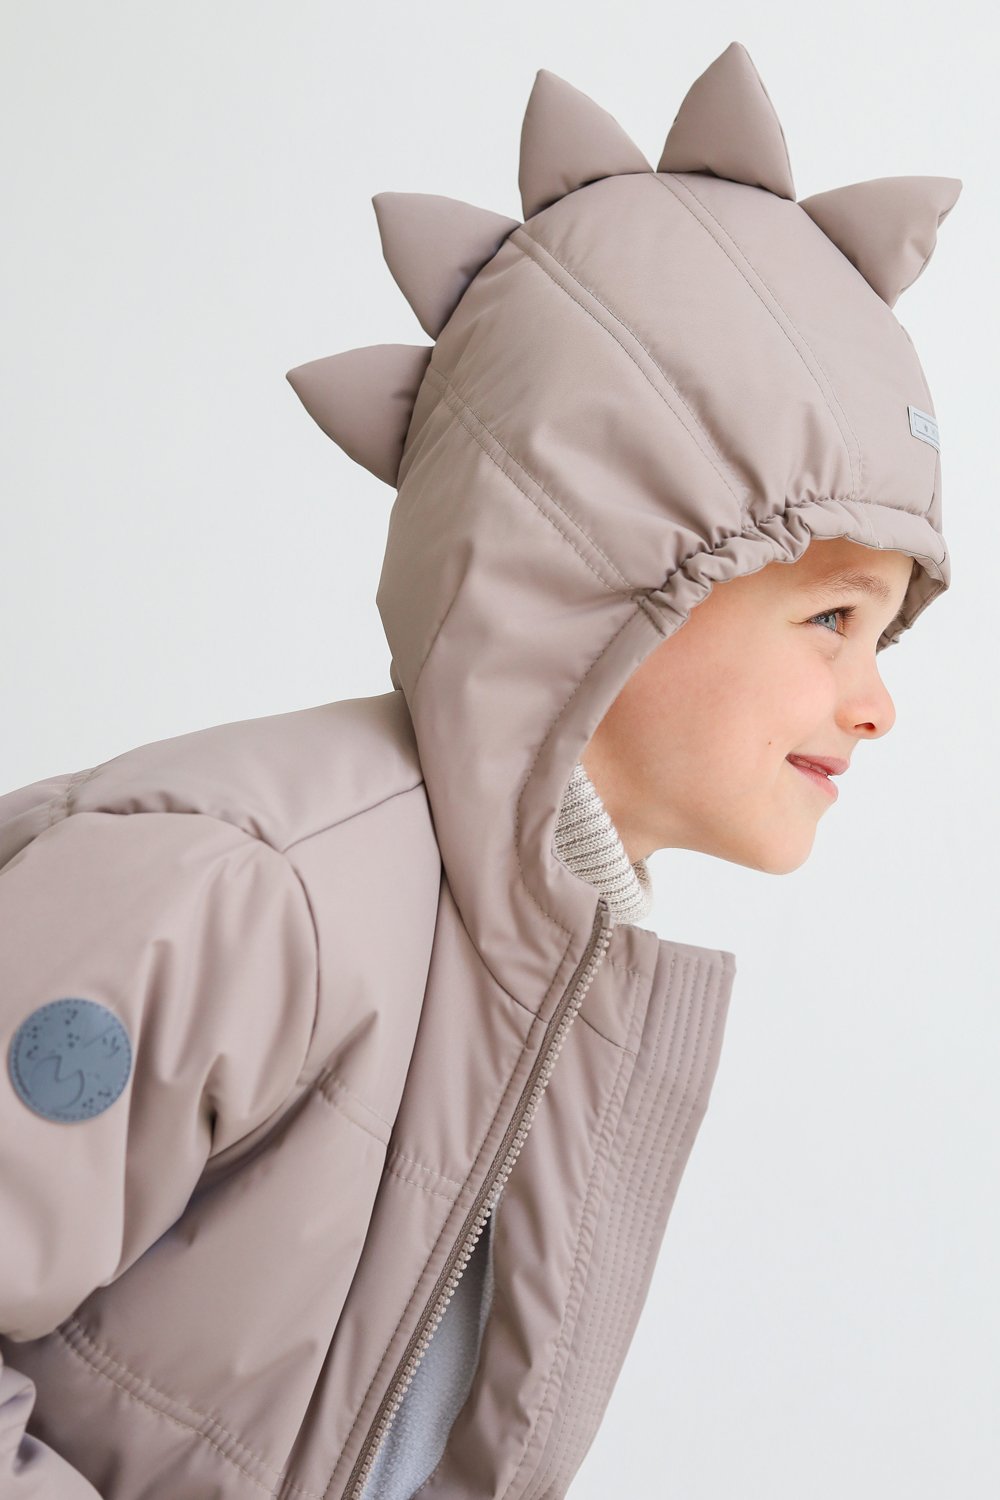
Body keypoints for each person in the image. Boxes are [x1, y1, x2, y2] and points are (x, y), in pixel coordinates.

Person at [0, 41, 959, 1500]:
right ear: (606, 571)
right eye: (831, 618)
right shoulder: (243, 897)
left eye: (884, 635)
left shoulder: (554, 970)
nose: (876, 705)